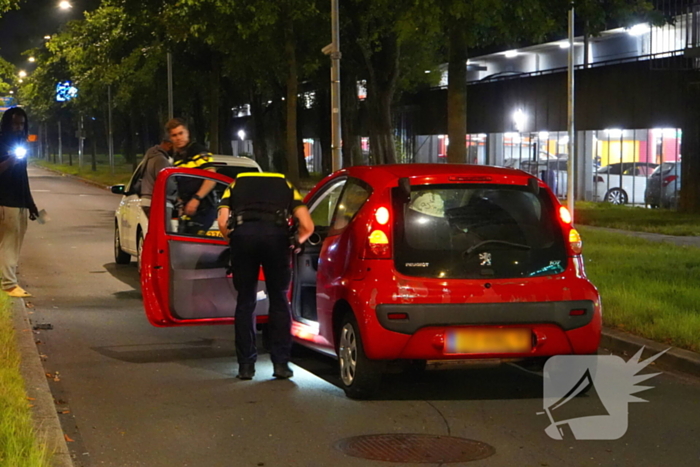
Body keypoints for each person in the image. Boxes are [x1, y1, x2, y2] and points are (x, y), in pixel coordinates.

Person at [217, 172, 314, 380]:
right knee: (279, 299)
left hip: (243, 239)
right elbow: (307, 226)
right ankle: (281, 365)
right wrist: (295, 242)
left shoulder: (235, 185)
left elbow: (223, 221)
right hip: (276, 239)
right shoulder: (286, 184)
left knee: (245, 302)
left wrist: (233, 242)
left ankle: (245, 366)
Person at [0, 107, 39, 298]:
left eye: (21, 124)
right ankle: (9, 284)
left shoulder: (19, 143)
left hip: (19, 202)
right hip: (7, 203)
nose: (18, 128)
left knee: (7, 244)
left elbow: (23, 178)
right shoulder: (2, 143)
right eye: (14, 123)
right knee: (10, 245)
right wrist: (10, 161)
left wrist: (30, 204)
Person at [165, 118, 217, 235]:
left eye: (181, 133)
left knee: (197, 247)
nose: (178, 138)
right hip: (187, 212)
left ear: (187, 133)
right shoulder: (177, 157)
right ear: (170, 138)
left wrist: (196, 199)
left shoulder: (197, 151)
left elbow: (211, 176)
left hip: (204, 208)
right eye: (174, 135)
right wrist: (180, 202)